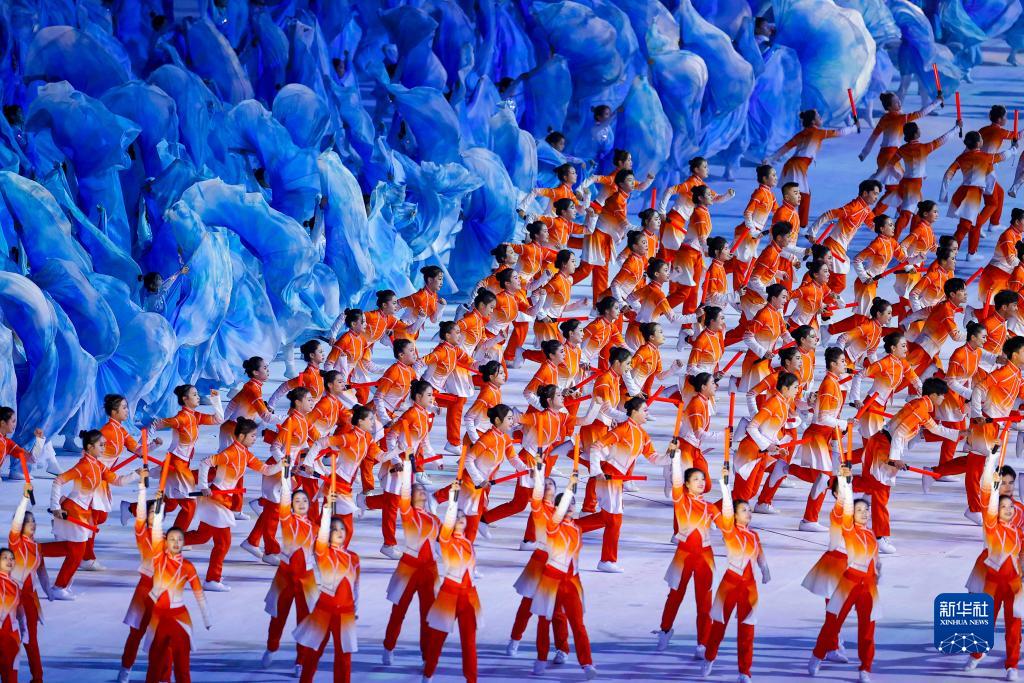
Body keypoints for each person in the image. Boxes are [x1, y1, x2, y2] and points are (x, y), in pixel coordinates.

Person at [853, 378, 958, 554]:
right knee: (881, 493)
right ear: (933, 395)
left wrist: (961, 433)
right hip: (884, 447)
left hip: (881, 442)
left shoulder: (922, 407)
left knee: (871, 486)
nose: (943, 399)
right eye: (942, 396)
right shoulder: (919, 409)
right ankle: (880, 537)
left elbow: (935, 429)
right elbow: (899, 434)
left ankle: (834, 483)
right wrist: (894, 459)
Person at [44, 430, 145, 600]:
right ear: (90, 447)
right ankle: (59, 587)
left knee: (71, 549)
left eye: (105, 445)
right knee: (76, 552)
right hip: (73, 510)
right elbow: (59, 480)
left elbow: (117, 481)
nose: (104, 448)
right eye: (101, 445)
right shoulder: (83, 465)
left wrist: (136, 473)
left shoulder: (99, 465)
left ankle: (33, 551)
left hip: (83, 512)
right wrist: (55, 507)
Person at [188, 418, 282, 591]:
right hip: (216, 500)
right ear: (241, 436)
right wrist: (203, 486)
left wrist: (283, 463)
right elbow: (205, 462)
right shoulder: (230, 452)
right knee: (223, 542)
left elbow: (266, 470)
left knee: (202, 536)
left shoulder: (245, 454)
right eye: (252, 436)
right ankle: (212, 579)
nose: (255, 438)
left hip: (224, 500)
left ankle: (166, 543)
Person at [578, 396, 670, 572]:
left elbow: (654, 458)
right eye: (644, 410)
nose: (647, 413)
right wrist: (596, 471)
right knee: (614, 520)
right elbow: (596, 446)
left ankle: (567, 528)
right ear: (634, 412)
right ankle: (607, 560)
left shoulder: (643, 435)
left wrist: (671, 457)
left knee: (606, 518)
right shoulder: (622, 429)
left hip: (617, 479)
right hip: (609, 476)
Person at [807, 468, 880, 682]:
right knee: (834, 617)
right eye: (844, 490)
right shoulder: (840, 514)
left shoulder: (866, 531)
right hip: (837, 567)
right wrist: (843, 480)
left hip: (862, 578)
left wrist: (876, 573)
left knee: (866, 624)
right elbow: (844, 509)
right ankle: (822, 651)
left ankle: (862, 665)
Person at [701, 468, 772, 682]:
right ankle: (709, 657)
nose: (748, 513)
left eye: (749, 510)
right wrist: (725, 488)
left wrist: (765, 569)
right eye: (743, 510)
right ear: (734, 515)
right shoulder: (729, 532)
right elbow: (725, 512)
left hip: (749, 587)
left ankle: (744, 671)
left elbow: (759, 556)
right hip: (730, 584)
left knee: (747, 629)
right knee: (719, 626)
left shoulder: (754, 535)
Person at [528, 463, 597, 678]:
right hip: (550, 579)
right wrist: (568, 488)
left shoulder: (577, 529)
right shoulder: (552, 526)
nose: (570, 507)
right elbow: (552, 511)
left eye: (573, 504)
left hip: (571, 582)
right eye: (566, 504)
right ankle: (541, 657)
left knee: (578, 624)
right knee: (544, 620)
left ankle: (587, 664)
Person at [963, 452, 1023, 679]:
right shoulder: (991, 506)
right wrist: (991, 467)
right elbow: (985, 491)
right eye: (1003, 482)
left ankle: (1012, 663)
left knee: (1014, 619)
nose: (1008, 486)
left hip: (1013, 568)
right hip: (988, 564)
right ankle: (977, 652)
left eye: (1011, 483)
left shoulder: (1020, 510)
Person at [657, 447, 721, 657]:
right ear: (686, 483)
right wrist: (676, 458)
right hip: (683, 556)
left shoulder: (710, 507)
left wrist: (727, 493)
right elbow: (676, 481)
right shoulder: (681, 501)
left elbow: (728, 526)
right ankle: (665, 630)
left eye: (703, 479)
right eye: (695, 479)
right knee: (675, 595)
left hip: (705, 558)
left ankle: (703, 642)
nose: (701, 482)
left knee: (704, 602)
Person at [292, 495, 360, 683]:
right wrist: (327, 508)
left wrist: (355, 608)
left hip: (345, 613)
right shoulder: (324, 554)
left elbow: (355, 587)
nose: (339, 532)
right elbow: (321, 537)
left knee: (344, 657)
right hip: (324, 610)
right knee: (314, 652)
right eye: (334, 529)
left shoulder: (353, 558)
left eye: (342, 528)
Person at [144, 502, 212, 683]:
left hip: (180, 619)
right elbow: (153, 532)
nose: (176, 543)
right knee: (155, 665)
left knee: (182, 667)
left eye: (179, 540)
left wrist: (206, 617)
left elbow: (199, 593)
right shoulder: (159, 559)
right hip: (159, 618)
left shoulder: (188, 566)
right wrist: (157, 509)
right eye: (172, 539)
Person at [382, 463, 441, 665]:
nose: (422, 492)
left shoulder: (434, 519)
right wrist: (407, 467)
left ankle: (427, 654)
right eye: (417, 490)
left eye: (423, 490)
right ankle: (389, 646)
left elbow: (447, 537)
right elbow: (405, 493)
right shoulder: (408, 514)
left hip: (429, 571)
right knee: (399, 611)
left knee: (428, 615)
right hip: (408, 568)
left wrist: (453, 501)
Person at [422, 487, 481, 683]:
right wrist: (453, 499)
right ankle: (428, 674)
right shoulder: (446, 541)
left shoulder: (468, 544)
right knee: (437, 639)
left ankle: (471, 679)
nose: (461, 518)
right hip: (449, 595)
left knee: (469, 643)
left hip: (469, 597)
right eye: (457, 517)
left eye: (463, 517)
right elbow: (447, 522)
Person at [262, 467, 318, 672]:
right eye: (297, 501)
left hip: (306, 579)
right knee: (278, 616)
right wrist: (286, 476)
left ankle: (301, 660)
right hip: (285, 576)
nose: (301, 503)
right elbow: (284, 500)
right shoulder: (287, 520)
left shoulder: (314, 528)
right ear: (292, 505)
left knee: (305, 620)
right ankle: (271, 647)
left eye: (304, 501)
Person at [149, 384, 224, 532]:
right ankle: (176, 537)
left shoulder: (195, 416)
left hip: (182, 463)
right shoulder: (181, 418)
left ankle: (131, 508)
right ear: (185, 399)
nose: (198, 397)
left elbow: (218, 419)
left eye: (197, 394)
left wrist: (216, 400)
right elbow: (156, 424)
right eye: (194, 394)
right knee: (189, 505)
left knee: (170, 504)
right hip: (177, 464)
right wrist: (144, 444)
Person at [766, 112, 857, 226]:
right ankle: (800, 225)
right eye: (818, 116)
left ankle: (791, 222)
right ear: (813, 121)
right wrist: (854, 128)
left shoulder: (802, 133)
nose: (820, 118)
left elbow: (785, 147)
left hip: (791, 164)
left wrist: (770, 158)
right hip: (798, 166)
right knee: (803, 195)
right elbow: (839, 132)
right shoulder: (818, 132)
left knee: (796, 195)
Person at [308, 405, 380, 544]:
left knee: (327, 520)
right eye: (370, 419)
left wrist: (399, 451)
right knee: (345, 527)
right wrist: (308, 463)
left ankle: (315, 546)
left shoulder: (367, 438)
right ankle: (329, 551)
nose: (373, 422)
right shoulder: (349, 437)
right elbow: (321, 442)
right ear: (360, 421)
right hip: (338, 485)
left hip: (343, 484)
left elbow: (381, 456)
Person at [118, 478, 157, 683]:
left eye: (158, 513)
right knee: (136, 633)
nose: (154, 516)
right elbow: (140, 515)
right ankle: (125, 671)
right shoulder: (143, 534)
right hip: (144, 591)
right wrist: (142, 488)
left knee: (161, 638)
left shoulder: (168, 539)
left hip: (162, 594)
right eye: (152, 513)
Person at [10, 482, 45, 683]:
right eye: (28, 521)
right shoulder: (15, 543)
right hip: (10, 598)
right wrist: (24, 499)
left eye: (34, 521)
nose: (32, 524)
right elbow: (16, 522)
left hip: (30, 599)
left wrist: (49, 590)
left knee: (31, 640)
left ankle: (37, 677)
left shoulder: (37, 547)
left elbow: (41, 572)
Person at [0, 546, 20, 683]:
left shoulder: (15, 585)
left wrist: (23, 629)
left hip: (11, 636)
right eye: (5, 558)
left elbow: (19, 611)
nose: (9, 561)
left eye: (12, 558)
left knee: (11, 673)